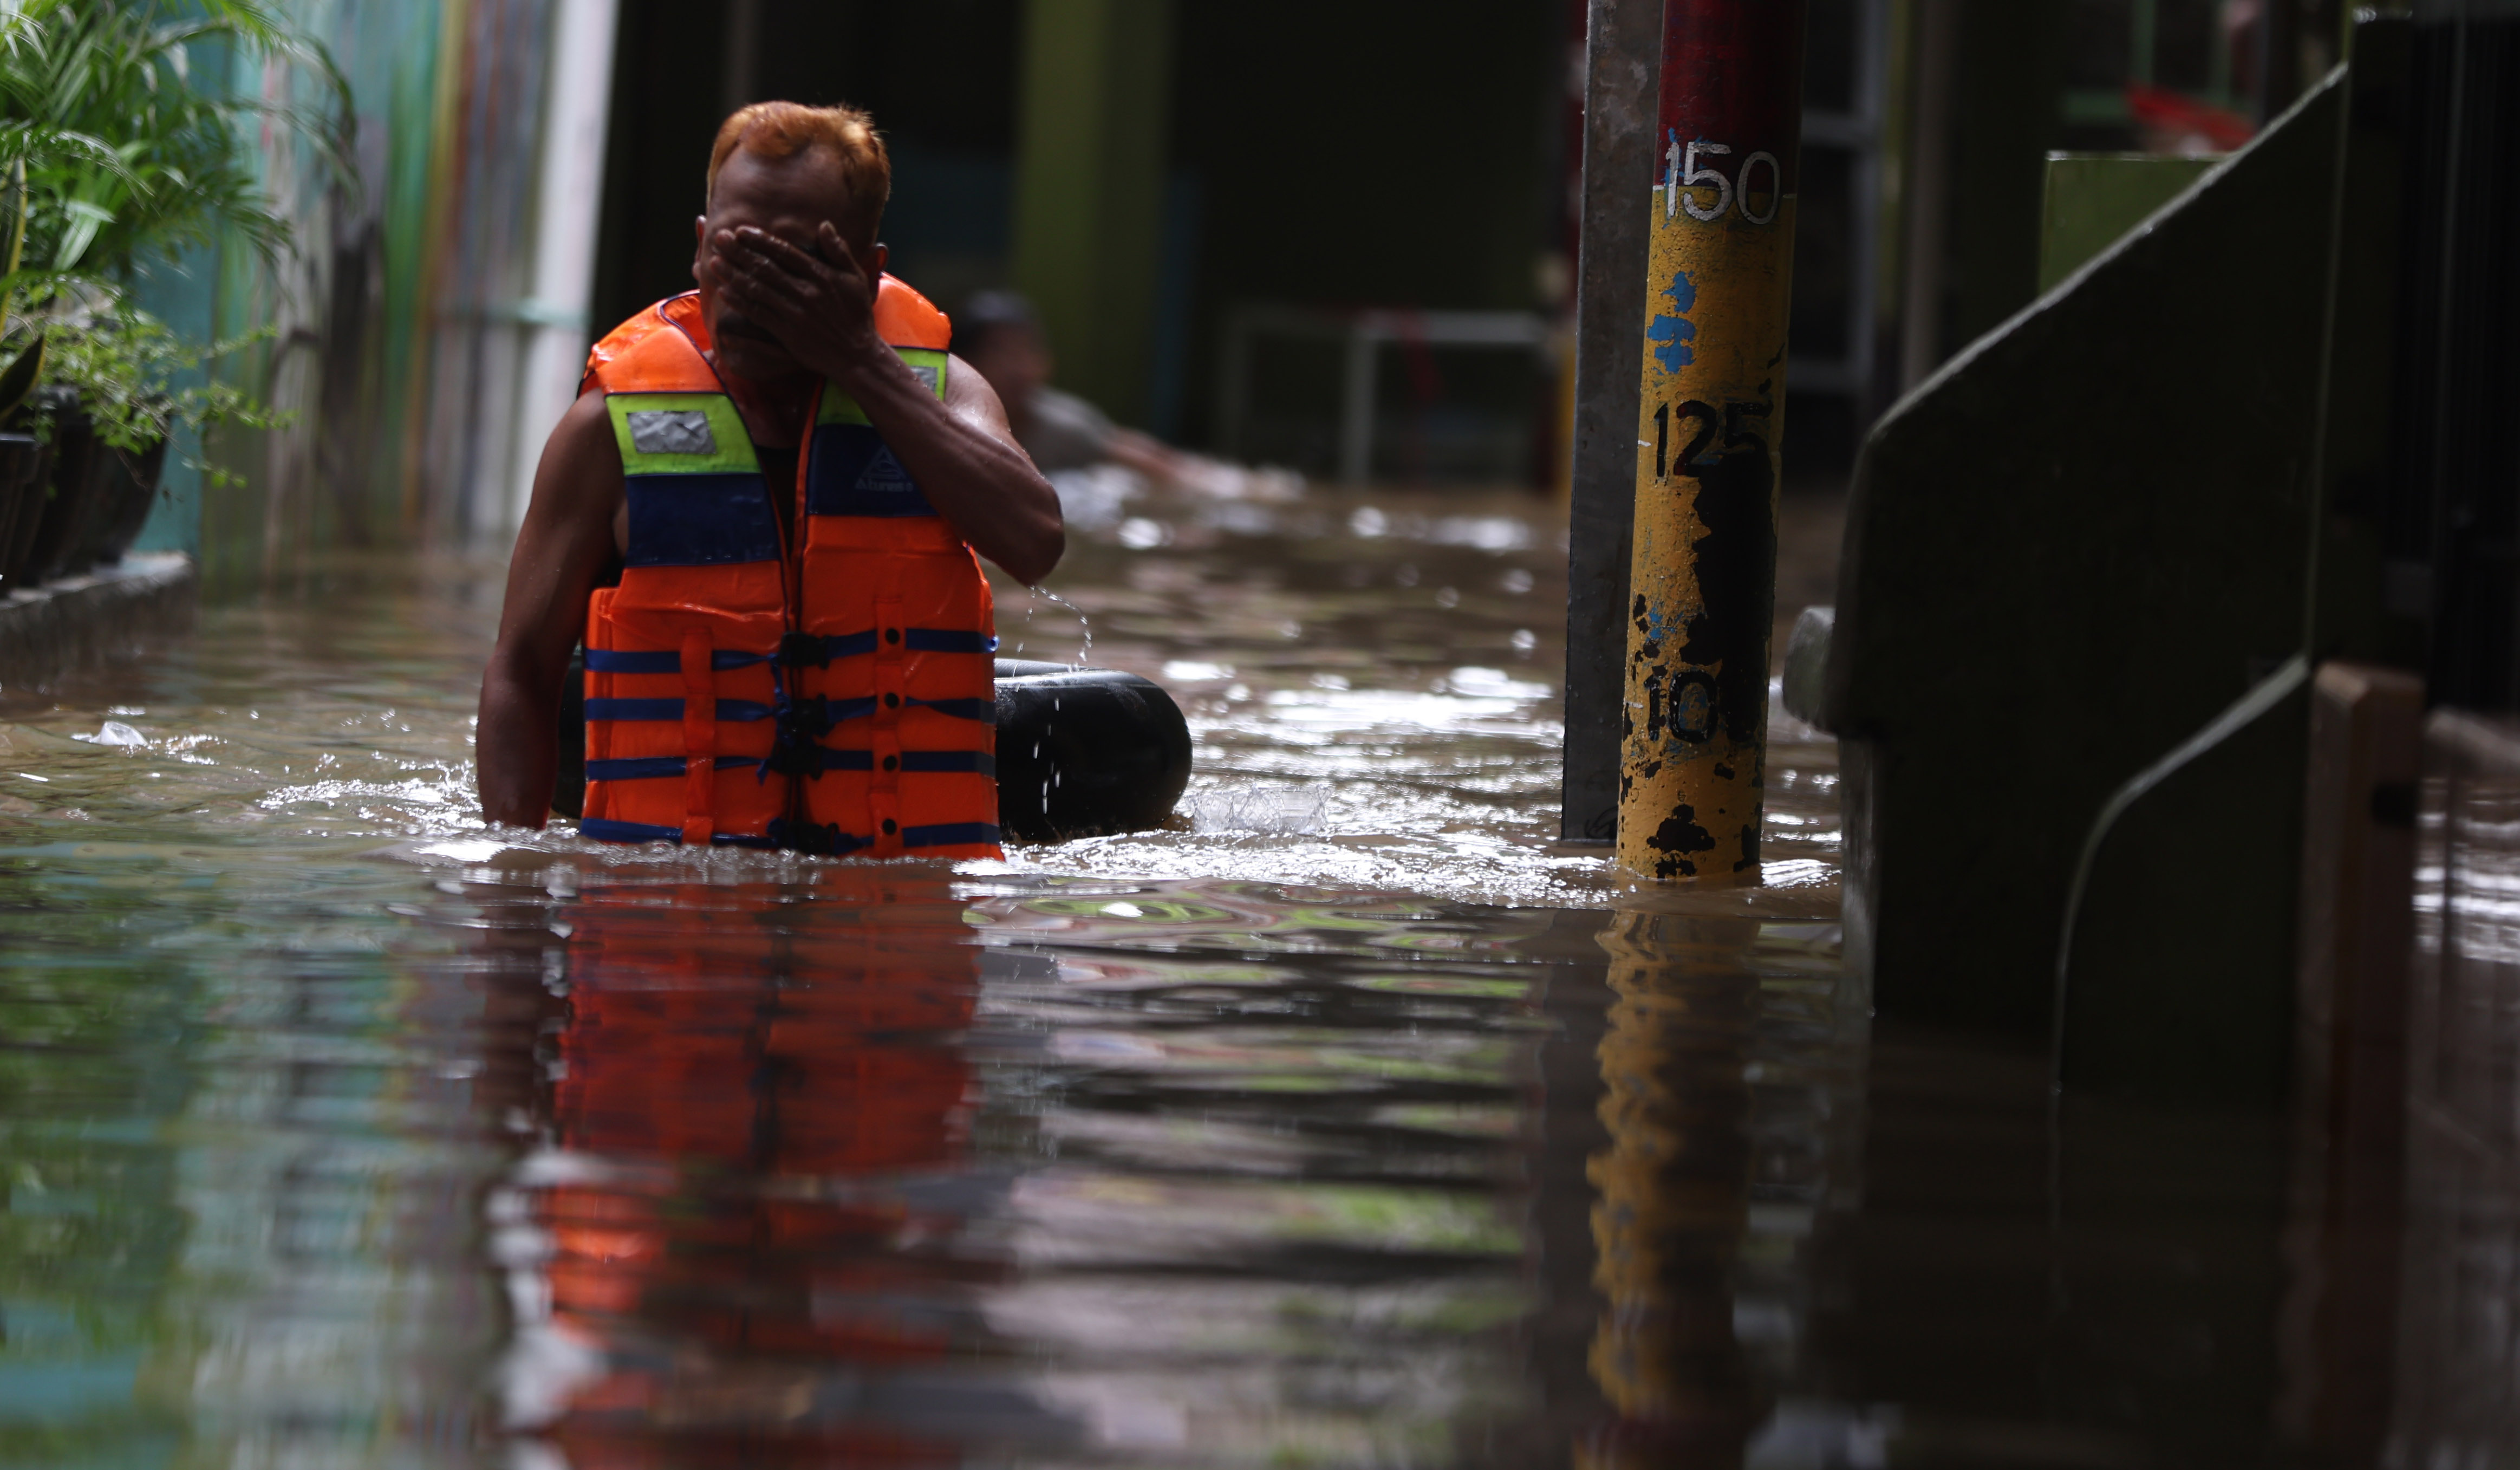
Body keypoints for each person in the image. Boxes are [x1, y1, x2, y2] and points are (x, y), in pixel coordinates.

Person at [476, 101, 1063, 860]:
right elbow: (522, 671)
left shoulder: (942, 393)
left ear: (865, 272)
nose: (755, 287)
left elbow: (1035, 542)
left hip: (889, 927)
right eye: (736, 252)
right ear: (698, 250)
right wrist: (512, 904)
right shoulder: (607, 433)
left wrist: (860, 361)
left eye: (795, 262)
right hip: (672, 915)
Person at [955, 290, 1194, 483]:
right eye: (1000, 352)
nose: (1019, 368)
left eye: (1028, 350)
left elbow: (1154, 464)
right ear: (963, 361)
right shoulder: (946, 421)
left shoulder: (1061, 428)